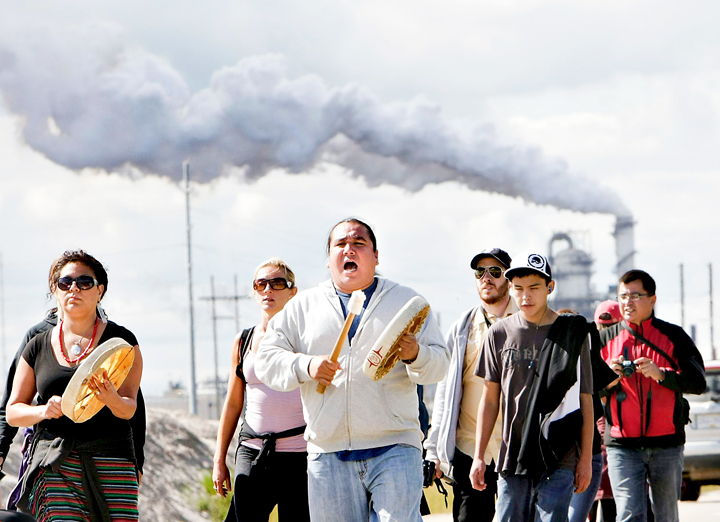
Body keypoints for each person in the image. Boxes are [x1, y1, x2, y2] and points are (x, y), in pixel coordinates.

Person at [255, 218, 450, 522]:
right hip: (327, 451)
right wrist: (307, 365)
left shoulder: (406, 302)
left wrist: (416, 354)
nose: (349, 249)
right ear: (329, 258)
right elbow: (266, 360)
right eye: (340, 244)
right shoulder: (302, 307)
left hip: (395, 446)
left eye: (359, 243)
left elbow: (440, 364)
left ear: (376, 256)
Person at [6, 250, 143, 521]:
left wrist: (111, 399)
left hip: (111, 459)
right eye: (65, 282)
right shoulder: (37, 344)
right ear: (55, 291)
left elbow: (130, 408)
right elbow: (13, 411)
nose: (74, 289)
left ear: (100, 291)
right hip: (55, 461)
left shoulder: (122, 341)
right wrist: (44, 411)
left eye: (84, 282)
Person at [469, 253, 594, 522]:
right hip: (513, 453)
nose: (525, 296)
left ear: (550, 287)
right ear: (510, 288)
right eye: (518, 288)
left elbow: (586, 398)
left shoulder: (572, 334)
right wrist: (478, 456)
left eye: (534, 287)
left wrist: (585, 460)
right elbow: (489, 400)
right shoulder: (499, 333)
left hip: (560, 454)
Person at [600, 269, 706, 522]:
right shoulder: (604, 339)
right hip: (622, 445)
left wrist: (662, 375)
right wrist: (609, 378)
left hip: (667, 444)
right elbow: (587, 390)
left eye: (635, 295)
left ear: (652, 299)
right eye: (623, 296)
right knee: (629, 514)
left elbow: (698, 382)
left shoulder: (674, 336)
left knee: (666, 515)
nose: (628, 302)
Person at [212, 258, 309, 522]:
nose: (268, 290)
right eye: (261, 284)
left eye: (277, 283)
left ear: (292, 291)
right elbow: (233, 403)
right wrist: (219, 460)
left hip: (300, 455)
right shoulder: (243, 341)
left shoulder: (307, 339)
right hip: (253, 450)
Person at [424, 248, 516, 522]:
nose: (486, 278)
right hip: (470, 448)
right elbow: (445, 393)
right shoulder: (462, 328)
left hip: (515, 448)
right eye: (480, 272)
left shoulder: (526, 321)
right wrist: (434, 450)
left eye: (495, 272)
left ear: (509, 279)